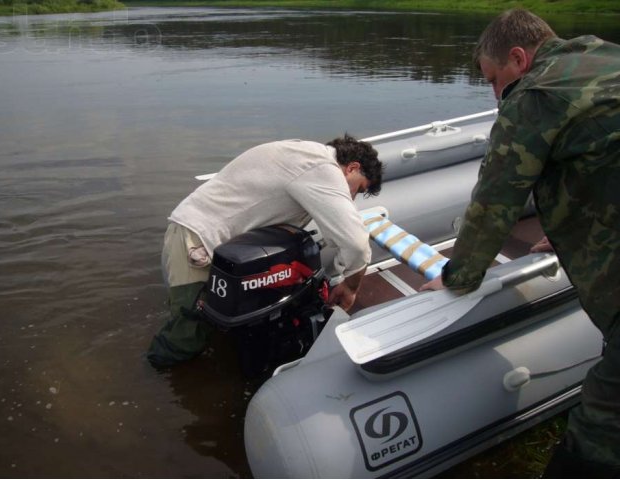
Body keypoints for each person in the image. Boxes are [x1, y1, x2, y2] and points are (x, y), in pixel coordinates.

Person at [420, 9, 620, 478]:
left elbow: (494, 204)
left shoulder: (535, 96)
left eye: (494, 80)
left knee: (601, 427)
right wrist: (577, 223)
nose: (495, 95)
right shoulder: (605, 58)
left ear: (518, 58)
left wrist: (457, 278)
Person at [148, 135, 383, 368]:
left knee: (213, 320)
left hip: (202, 237)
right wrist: (350, 287)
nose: (352, 197)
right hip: (198, 242)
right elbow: (355, 242)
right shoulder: (321, 169)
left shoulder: (305, 152)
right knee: (186, 334)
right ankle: (153, 377)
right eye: (358, 189)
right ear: (352, 167)